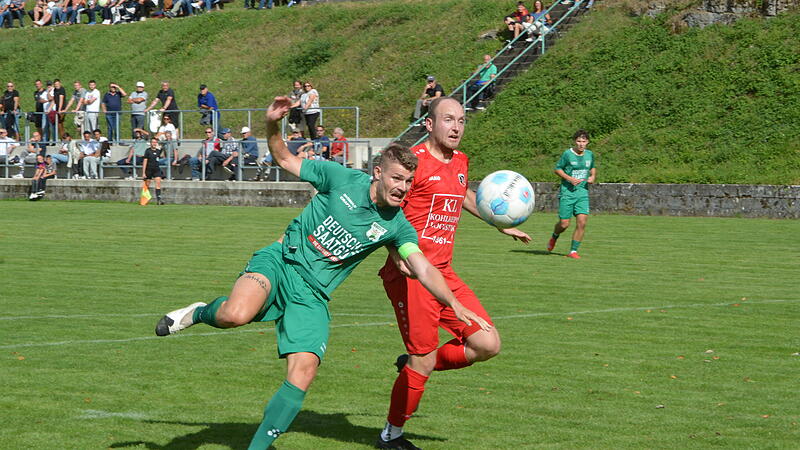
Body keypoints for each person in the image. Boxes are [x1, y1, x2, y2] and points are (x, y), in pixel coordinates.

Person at [154, 96, 491, 450]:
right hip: (281, 263)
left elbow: (422, 267)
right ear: (378, 173)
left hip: (313, 294)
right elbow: (285, 158)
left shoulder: (398, 226)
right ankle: (198, 312)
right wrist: (272, 124)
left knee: (304, 372)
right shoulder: (341, 178)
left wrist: (453, 303)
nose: (402, 189)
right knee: (234, 315)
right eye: (396, 179)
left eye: (408, 182)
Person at [376, 97, 531, 450]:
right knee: (423, 358)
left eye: (461, 120)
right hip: (413, 274)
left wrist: (499, 222)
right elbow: (386, 208)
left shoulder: (460, 160)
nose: (457, 127)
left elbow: (462, 195)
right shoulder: (413, 163)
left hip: (444, 272)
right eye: (448, 119)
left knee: (487, 343)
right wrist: (394, 252)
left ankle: (414, 364)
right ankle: (391, 435)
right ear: (430, 124)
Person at [547, 129, 596, 259]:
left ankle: (573, 251)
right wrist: (569, 179)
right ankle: (554, 236)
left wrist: (592, 176)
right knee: (564, 224)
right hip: (567, 193)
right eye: (579, 141)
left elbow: (592, 167)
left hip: (582, 193)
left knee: (582, 222)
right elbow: (557, 169)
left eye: (584, 141)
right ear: (575, 142)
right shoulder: (567, 154)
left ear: (587, 142)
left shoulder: (590, 154)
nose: (581, 144)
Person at [141, 137, 164, 205]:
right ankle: (145, 200)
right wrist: (143, 172)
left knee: (158, 183)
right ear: (150, 143)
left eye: (155, 142)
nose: (154, 144)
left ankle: (159, 200)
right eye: (153, 142)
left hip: (156, 169)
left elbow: (160, 157)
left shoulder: (158, 151)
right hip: (149, 170)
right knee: (147, 184)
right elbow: (145, 161)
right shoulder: (148, 151)